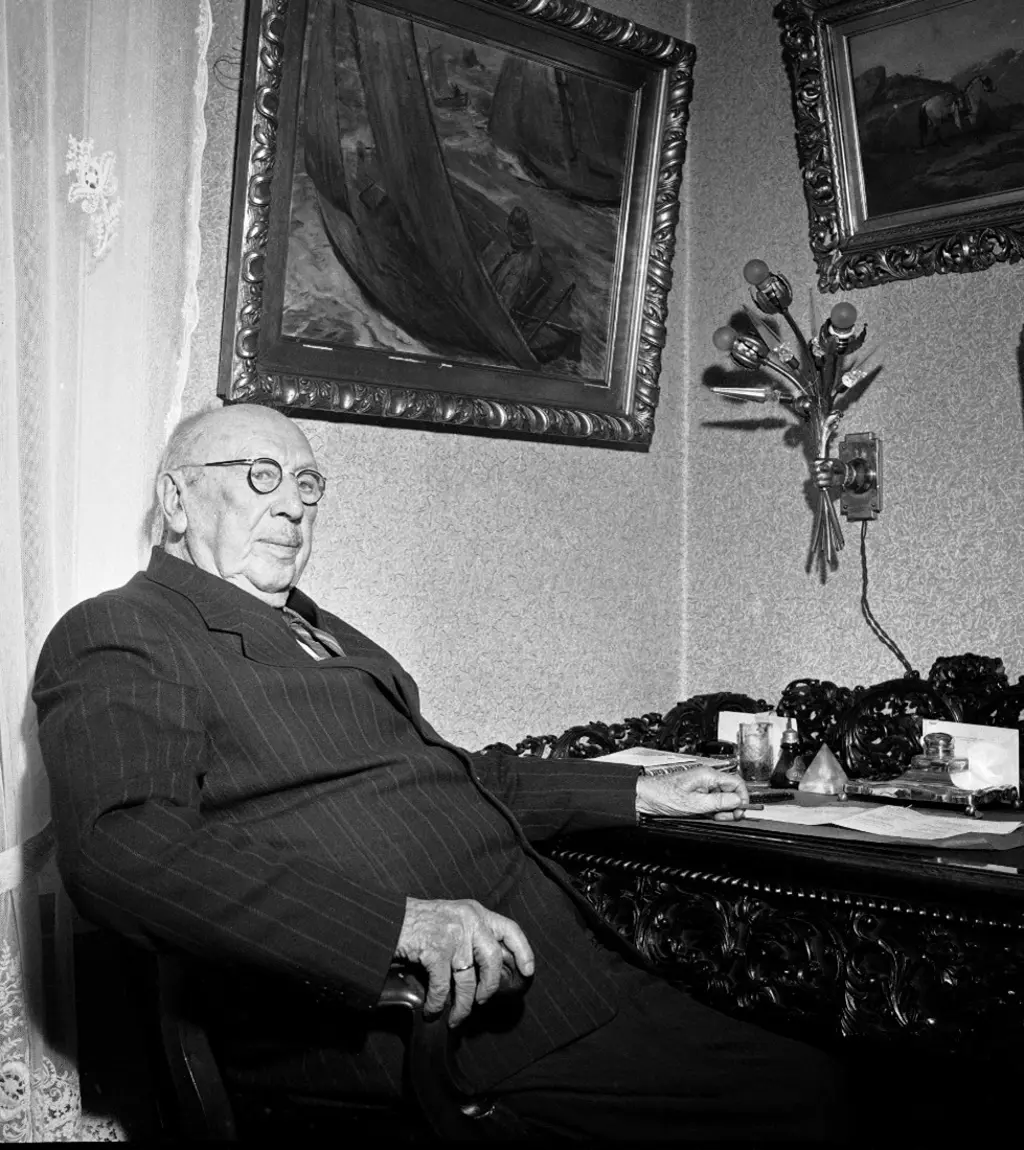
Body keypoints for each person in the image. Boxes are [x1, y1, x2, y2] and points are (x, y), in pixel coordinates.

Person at [34, 403, 848, 1141]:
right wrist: (395, 927)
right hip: (418, 1027)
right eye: (261, 476)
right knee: (819, 1099)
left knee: (833, 1073)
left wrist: (635, 790)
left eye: (307, 483)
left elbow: (453, 775)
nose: (293, 505)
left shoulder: (315, 628)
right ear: (176, 500)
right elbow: (122, 849)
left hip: (555, 974)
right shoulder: (121, 630)